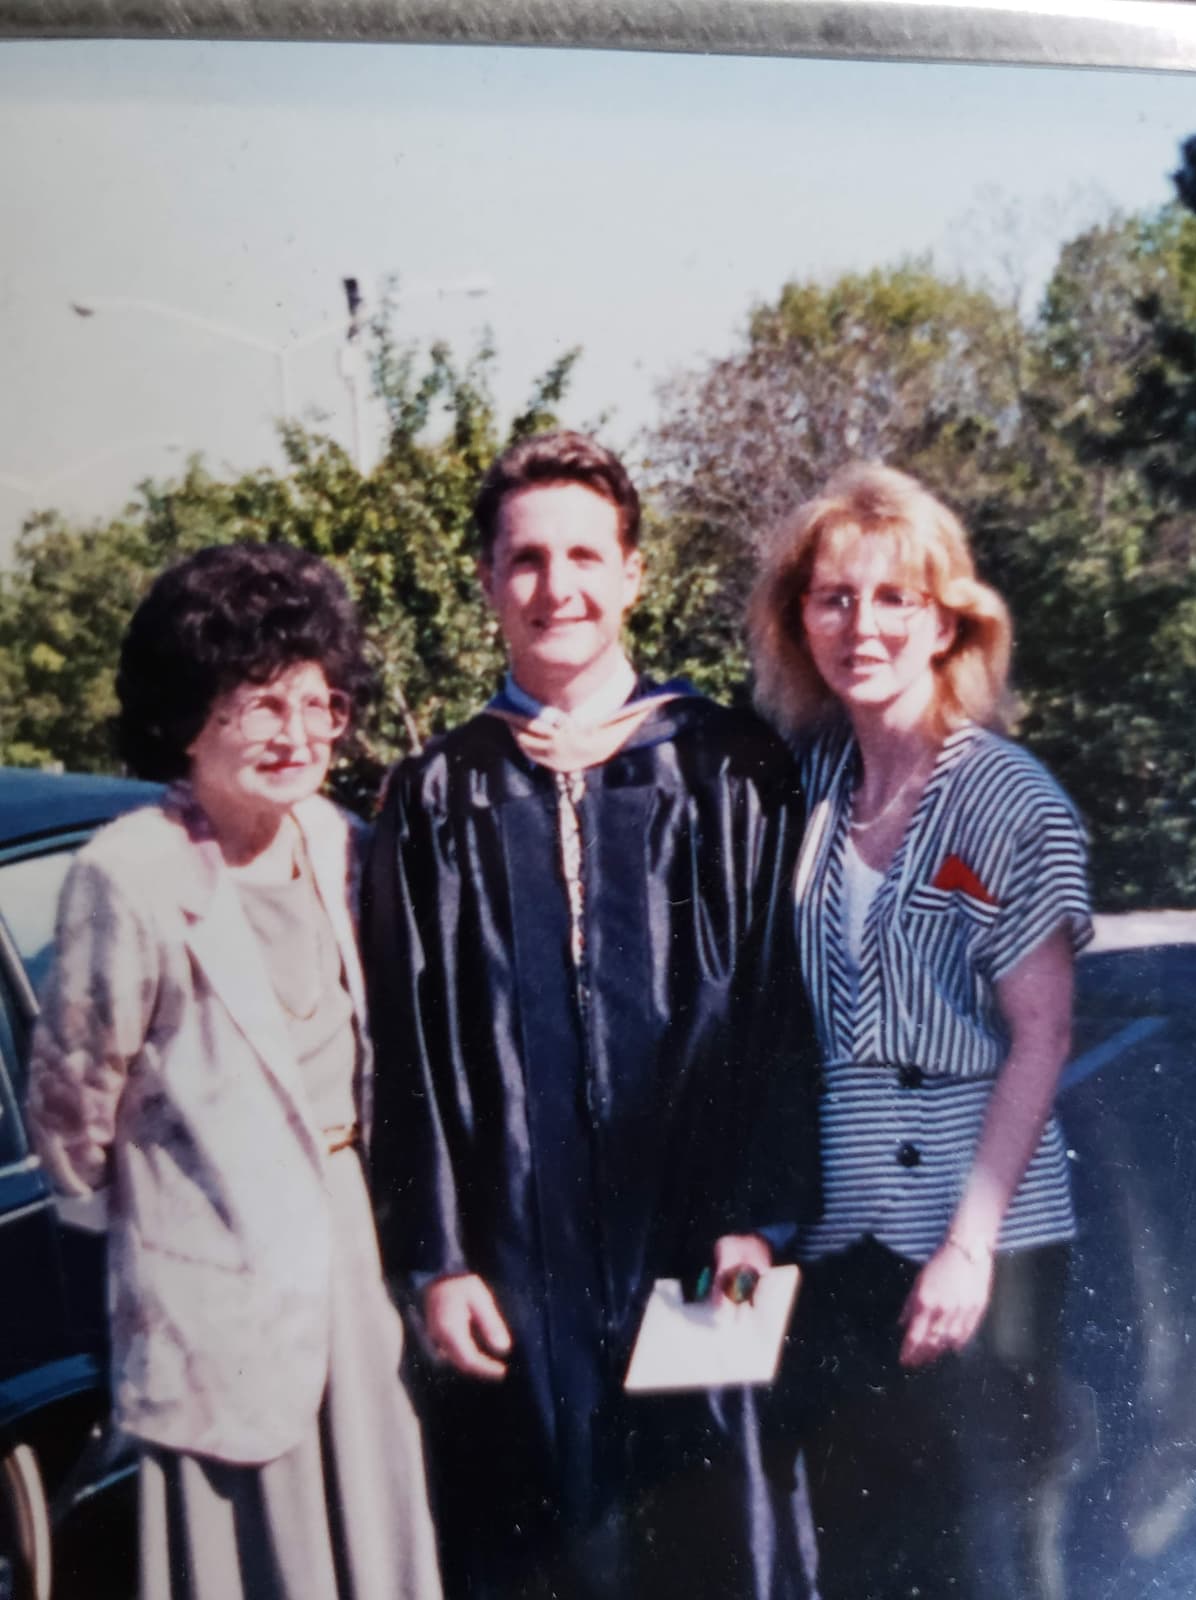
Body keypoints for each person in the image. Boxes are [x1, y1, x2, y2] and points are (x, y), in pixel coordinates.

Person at [363, 431, 822, 1600]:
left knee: (714, 1527)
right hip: (516, 1258)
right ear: (486, 579)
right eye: (525, 559)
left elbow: (776, 1013)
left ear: (632, 574)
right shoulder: (437, 792)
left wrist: (759, 1218)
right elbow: (406, 1055)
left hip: (705, 1236)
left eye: (583, 555)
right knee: (543, 1539)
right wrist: (438, 1260)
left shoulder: (730, 767)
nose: (554, 586)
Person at [25, 542, 442, 1600]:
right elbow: (73, 1122)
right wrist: (171, 1248)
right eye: (260, 705)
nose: (297, 734)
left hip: (358, 1266)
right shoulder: (130, 874)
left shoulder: (343, 843)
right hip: (216, 1293)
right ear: (186, 717)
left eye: (318, 702)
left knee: (378, 1539)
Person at [748, 462, 1093, 1600]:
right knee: (864, 1551)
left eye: (896, 597)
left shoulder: (1008, 799)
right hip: (840, 1231)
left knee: (993, 1549)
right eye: (835, 597)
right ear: (799, 619)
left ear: (947, 622)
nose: (864, 626)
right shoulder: (804, 788)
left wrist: (969, 1244)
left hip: (978, 1233)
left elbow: (1042, 1034)